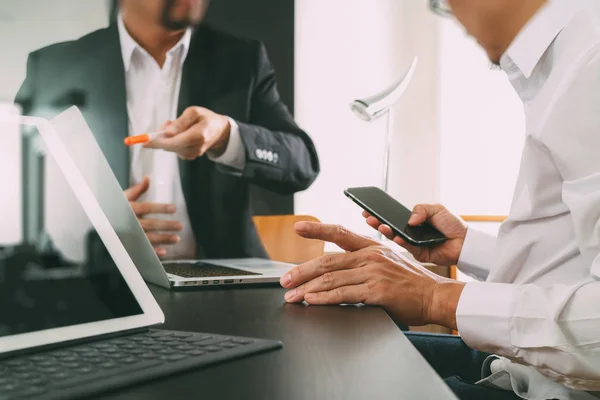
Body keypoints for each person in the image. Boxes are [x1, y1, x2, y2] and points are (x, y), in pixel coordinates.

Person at [280, 0, 600, 399]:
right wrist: (469, 249)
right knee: (306, 356)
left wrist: (434, 297)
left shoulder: (590, 62)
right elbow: (576, 263)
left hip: (556, 387)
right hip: (522, 367)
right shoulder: (563, 58)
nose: (448, 11)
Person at [15, 0, 319, 260]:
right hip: (97, 291)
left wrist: (227, 136)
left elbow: (302, 164)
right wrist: (92, 229)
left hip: (222, 292)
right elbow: (17, 197)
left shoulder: (241, 60)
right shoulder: (54, 68)